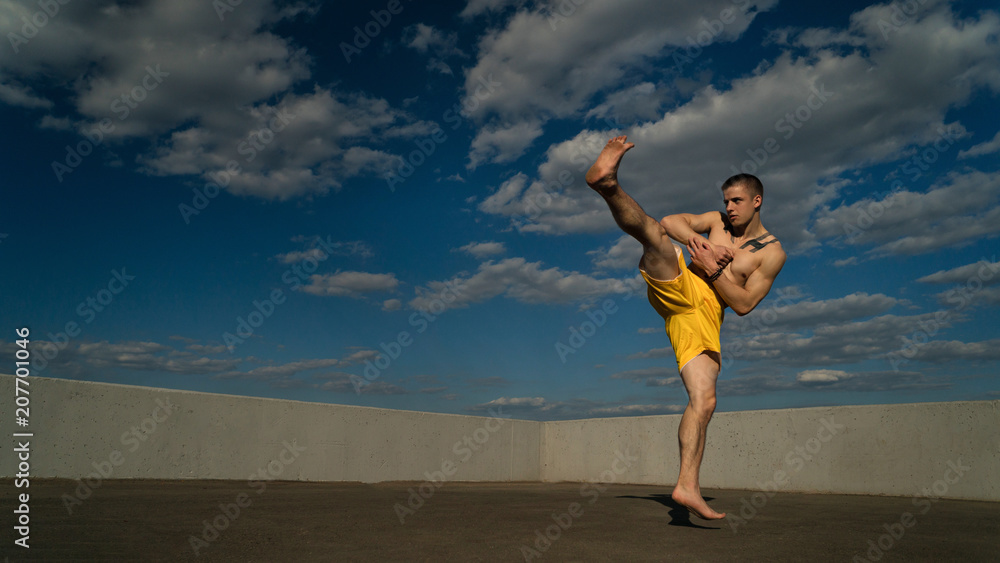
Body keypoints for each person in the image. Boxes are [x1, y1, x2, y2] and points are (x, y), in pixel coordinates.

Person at [585, 135, 786, 520]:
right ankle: (607, 186)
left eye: (736, 201)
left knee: (704, 401)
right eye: (726, 200)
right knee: (656, 238)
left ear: (757, 201)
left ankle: (687, 485)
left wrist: (716, 272)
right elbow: (671, 222)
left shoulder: (773, 252)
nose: (728, 208)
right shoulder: (715, 222)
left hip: (703, 317)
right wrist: (700, 245)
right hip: (681, 284)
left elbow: (744, 304)